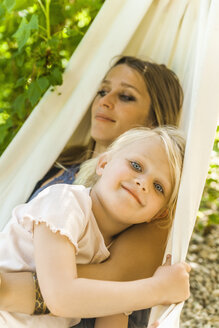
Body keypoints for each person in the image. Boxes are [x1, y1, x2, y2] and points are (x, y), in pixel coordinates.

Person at [0, 56, 184, 327]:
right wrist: (156, 290)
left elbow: (117, 285)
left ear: (153, 121)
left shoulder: (137, 218)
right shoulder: (62, 179)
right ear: (104, 164)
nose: (105, 101)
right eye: (102, 91)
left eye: (126, 97)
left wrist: (13, 288)